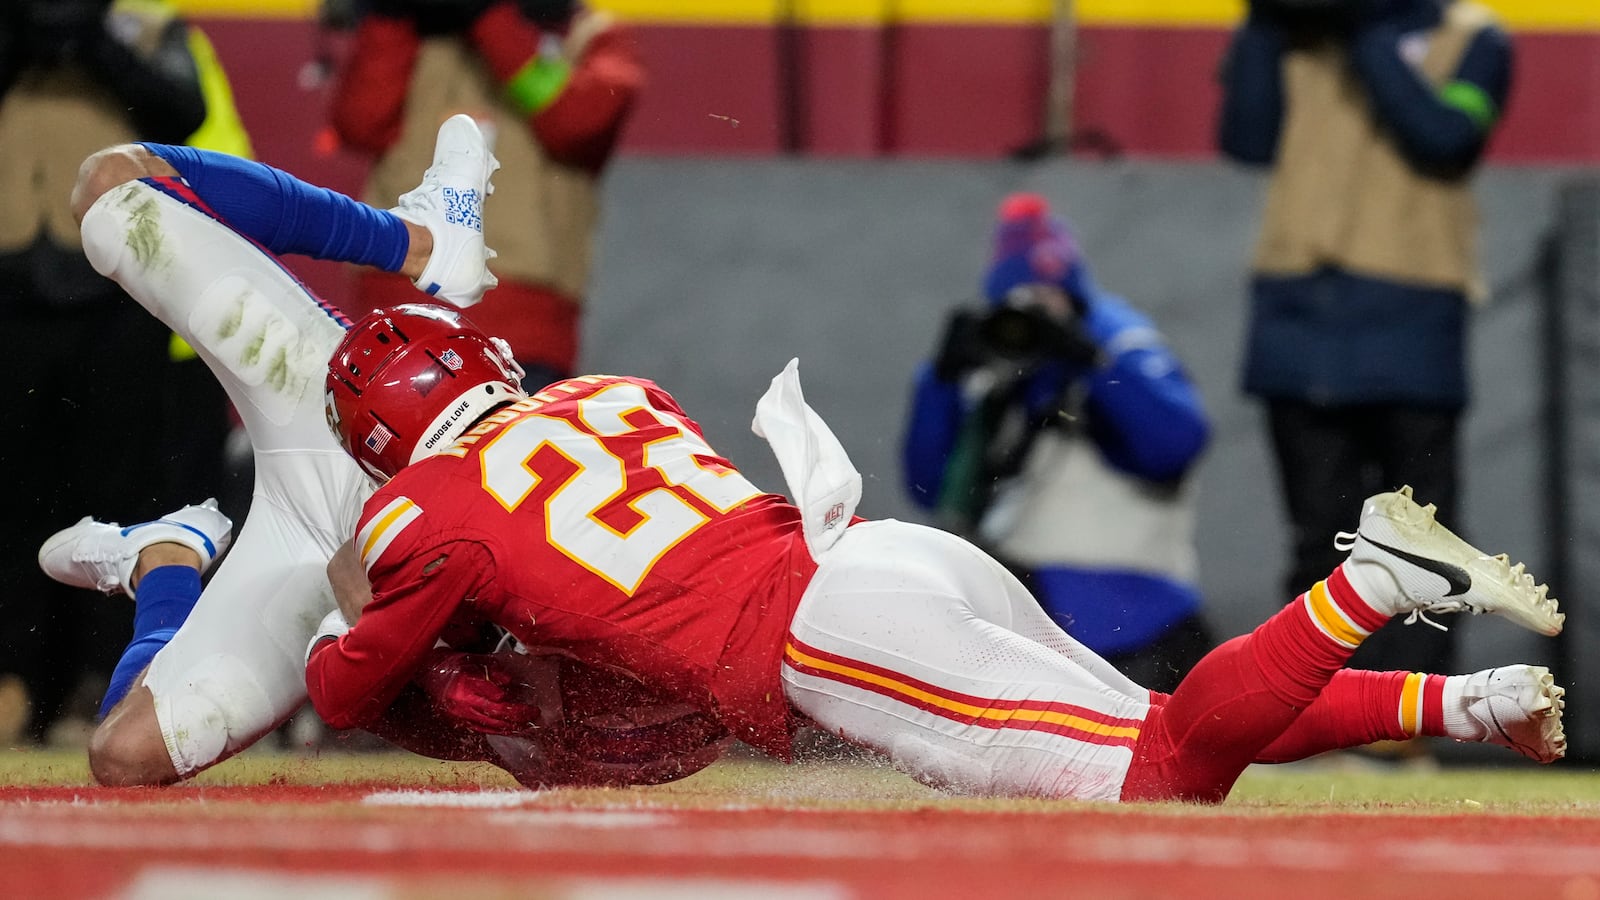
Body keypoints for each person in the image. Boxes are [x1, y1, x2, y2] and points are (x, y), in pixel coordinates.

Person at [310, 301, 1566, 803]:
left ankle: (1367, 582)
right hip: (882, 557)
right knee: (1174, 720)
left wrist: (355, 613)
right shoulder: (607, 393)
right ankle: (1470, 698)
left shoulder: (421, 510)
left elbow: (347, 687)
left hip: (829, 637)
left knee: (1160, 780)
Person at [34, 114, 501, 785]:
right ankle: (421, 245)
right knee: (111, 187)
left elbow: (373, 660)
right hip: (365, 418)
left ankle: (162, 563)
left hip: (337, 549)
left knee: (121, 758)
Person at [1217, 0, 1513, 691]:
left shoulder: (1474, 38)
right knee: (1316, 533)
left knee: (1424, 535)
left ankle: (1409, 713)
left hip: (1411, 319)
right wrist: (1263, 21)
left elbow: (1444, 137)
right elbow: (1246, 140)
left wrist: (1364, 31)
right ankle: (1306, 701)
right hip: (1298, 315)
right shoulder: (1296, 39)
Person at [0, 0, 234, 745]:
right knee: (11, 492)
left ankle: (94, 681)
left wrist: (95, 41)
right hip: (10, 287)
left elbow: (181, 112)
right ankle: (13, 678)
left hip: (113, 287)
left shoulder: (146, 20)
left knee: (116, 491)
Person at [902, 193, 1212, 693]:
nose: (1039, 314)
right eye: (1024, 300)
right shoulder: (1003, 360)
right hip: (1027, 590)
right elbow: (930, 489)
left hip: (1135, 605)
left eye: (1051, 298)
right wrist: (940, 384)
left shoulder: (1117, 341)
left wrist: (1094, 365)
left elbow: (1174, 446)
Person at [329, 0, 643, 389]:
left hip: (525, 329)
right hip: (396, 309)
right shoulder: (412, 30)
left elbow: (576, 120)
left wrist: (489, 17)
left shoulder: (590, 36)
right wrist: (390, 16)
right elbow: (360, 123)